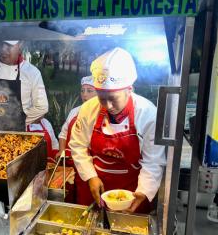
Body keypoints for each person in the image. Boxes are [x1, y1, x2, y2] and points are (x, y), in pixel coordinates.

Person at [69, 48, 166, 213]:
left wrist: (144, 191)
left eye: (113, 99)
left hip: (132, 189)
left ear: (129, 90)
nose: (108, 106)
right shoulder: (88, 109)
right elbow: (77, 146)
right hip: (95, 184)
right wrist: (90, 176)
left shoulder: (147, 113)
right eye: (102, 98)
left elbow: (153, 161)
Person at [57, 76, 97, 162]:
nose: (85, 94)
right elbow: (63, 134)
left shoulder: (102, 114)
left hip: (90, 162)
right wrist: (62, 151)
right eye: (82, 91)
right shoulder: (75, 111)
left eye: (89, 91)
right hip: (70, 160)